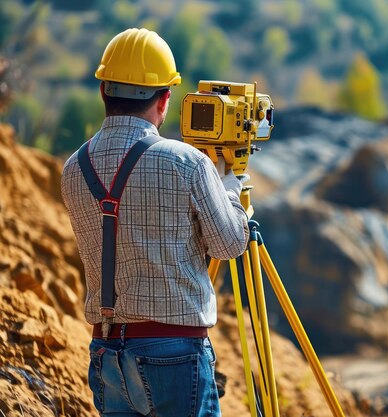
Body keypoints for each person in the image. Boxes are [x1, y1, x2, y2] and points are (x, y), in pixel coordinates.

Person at [61, 28, 249, 416]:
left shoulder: (72, 169)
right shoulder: (186, 163)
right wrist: (229, 192)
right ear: (165, 100)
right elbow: (229, 245)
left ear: (103, 92)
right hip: (175, 352)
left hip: (106, 353)